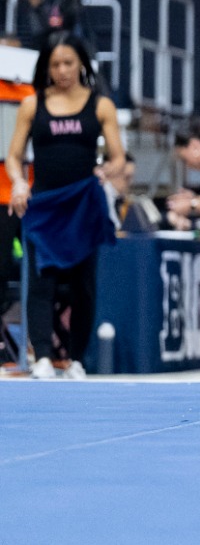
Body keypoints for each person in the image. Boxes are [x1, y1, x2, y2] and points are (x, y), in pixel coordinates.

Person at [5, 34, 124, 377]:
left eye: (69, 63)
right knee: (41, 280)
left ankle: (76, 359)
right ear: (47, 67)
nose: (62, 70)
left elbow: (117, 158)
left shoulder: (100, 105)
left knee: (83, 284)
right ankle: (42, 356)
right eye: (55, 64)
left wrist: (106, 171)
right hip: (44, 205)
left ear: (81, 64)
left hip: (82, 204)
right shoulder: (33, 104)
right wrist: (19, 183)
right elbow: (14, 157)